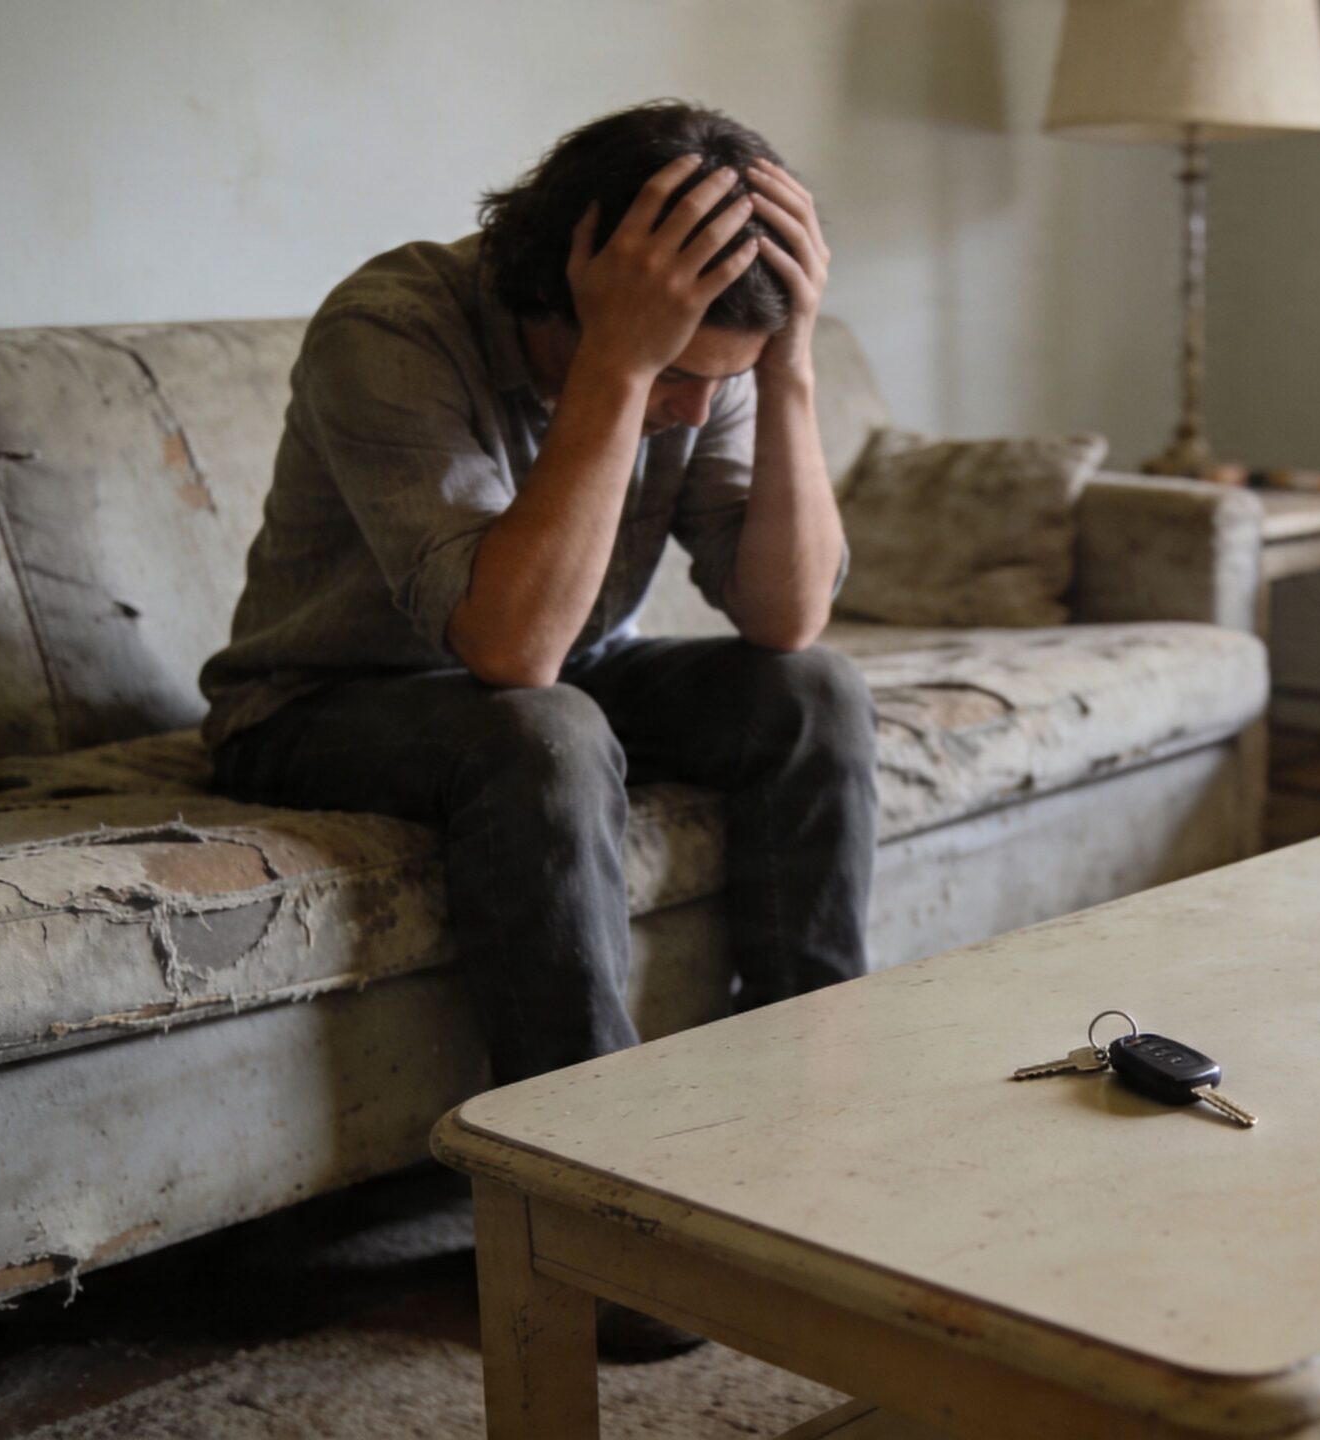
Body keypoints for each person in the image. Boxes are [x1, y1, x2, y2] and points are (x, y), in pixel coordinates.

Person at [197, 101, 875, 1356]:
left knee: (814, 696)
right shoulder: (392, 325)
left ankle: (803, 1157)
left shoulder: (710, 358)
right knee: (542, 728)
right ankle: (594, 1220)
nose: (685, 408)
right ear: (565, 281)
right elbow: (507, 652)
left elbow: (784, 619)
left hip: (568, 673)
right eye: (673, 375)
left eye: (703, 384)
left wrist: (786, 367)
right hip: (317, 704)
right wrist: (624, 367)